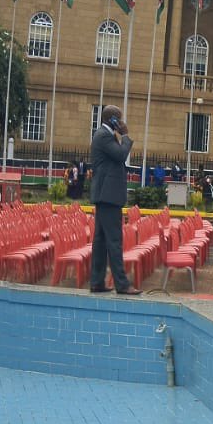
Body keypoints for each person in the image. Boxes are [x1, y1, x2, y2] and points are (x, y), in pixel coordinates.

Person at [88, 105, 141, 295]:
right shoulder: (103, 135)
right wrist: (125, 136)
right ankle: (122, 284)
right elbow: (120, 155)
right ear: (113, 120)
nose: (122, 122)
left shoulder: (106, 136)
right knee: (114, 241)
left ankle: (97, 281)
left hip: (106, 195)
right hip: (108, 196)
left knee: (101, 241)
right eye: (119, 118)